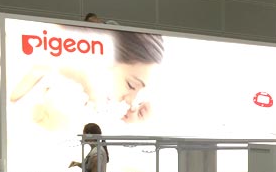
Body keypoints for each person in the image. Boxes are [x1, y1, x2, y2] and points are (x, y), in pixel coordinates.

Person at [9, 29, 165, 129]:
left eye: (140, 95)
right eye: (130, 85)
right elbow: (12, 99)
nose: (131, 102)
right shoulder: (52, 65)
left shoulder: (106, 108)